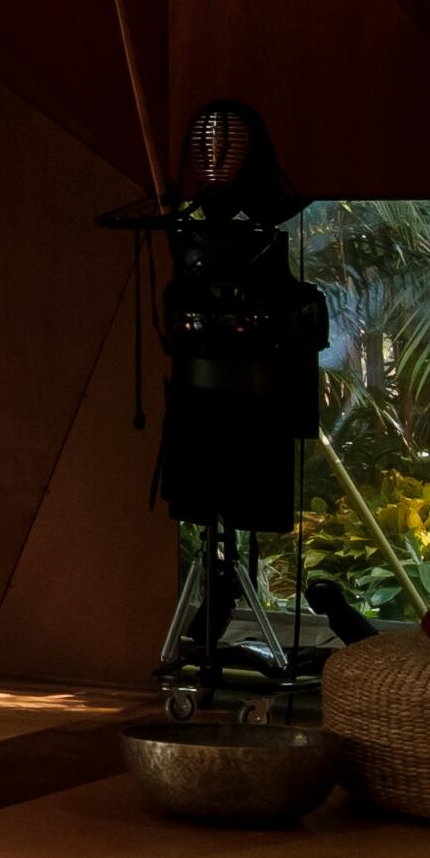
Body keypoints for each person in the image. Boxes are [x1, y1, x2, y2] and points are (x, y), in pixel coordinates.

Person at [109, 99, 325, 711]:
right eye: (207, 146)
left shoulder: (269, 236)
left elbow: (300, 316)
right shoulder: (185, 234)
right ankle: (204, 632)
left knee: (244, 507)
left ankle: (225, 620)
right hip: (199, 404)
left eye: (228, 147)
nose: (215, 158)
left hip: (256, 405)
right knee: (204, 505)